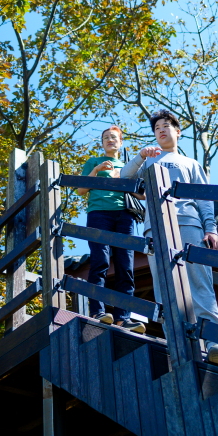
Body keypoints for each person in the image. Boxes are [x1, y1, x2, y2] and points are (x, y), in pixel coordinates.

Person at [120, 109, 218, 367]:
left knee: (200, 283)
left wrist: (211, 228)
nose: (161, 130)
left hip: (188, 223)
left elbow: (204, 198)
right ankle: (177, 343)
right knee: (164, 287)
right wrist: (140, 156)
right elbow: (125, 179)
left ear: (177, 132)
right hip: (155, 229)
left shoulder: (190, 163)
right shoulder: (148, 161)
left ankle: (215, 343)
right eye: (157, 128)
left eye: (166, 126)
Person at [77, 125, 147, 333]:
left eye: (114, 137)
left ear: (120, 142)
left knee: (126, 265)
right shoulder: (94, 162)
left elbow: (142, 195)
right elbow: (81, 190)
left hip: (125, 216)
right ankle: (97, 312)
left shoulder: (129, 166)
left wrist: (122, 180)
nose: (109, 140)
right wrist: (97, 171)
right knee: (100, 261)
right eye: (106, 137)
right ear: (102, 143)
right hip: (99, 214)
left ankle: (123, 317)